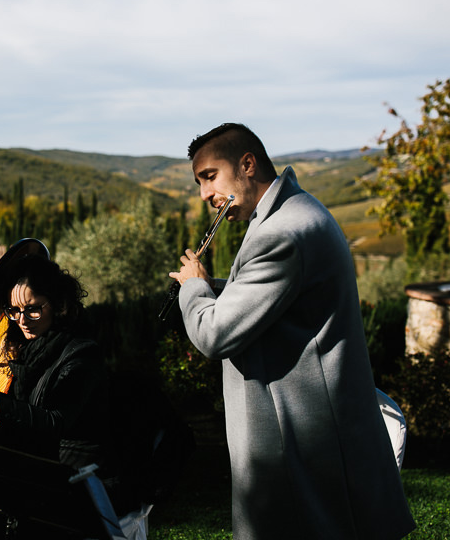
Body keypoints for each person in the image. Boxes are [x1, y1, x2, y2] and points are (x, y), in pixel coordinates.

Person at [168, 123, 415, 539]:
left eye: (209, 177)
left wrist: (193, 287)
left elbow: (214, 335)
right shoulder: (292, 212)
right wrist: (215, 289)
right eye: (199, 182)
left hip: (299, 446)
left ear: (247, 164)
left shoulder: (281, 233)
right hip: (311, 437)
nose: (205, 196)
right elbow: (277, 298)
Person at [0, 254, 126, 537]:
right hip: (37, 475)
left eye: (33, 309)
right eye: (14, 311)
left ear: (60, 305)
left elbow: (52, 422)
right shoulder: (27, 351)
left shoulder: (81, 353)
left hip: (79, 483)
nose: (22, 320)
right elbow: (19, 396)